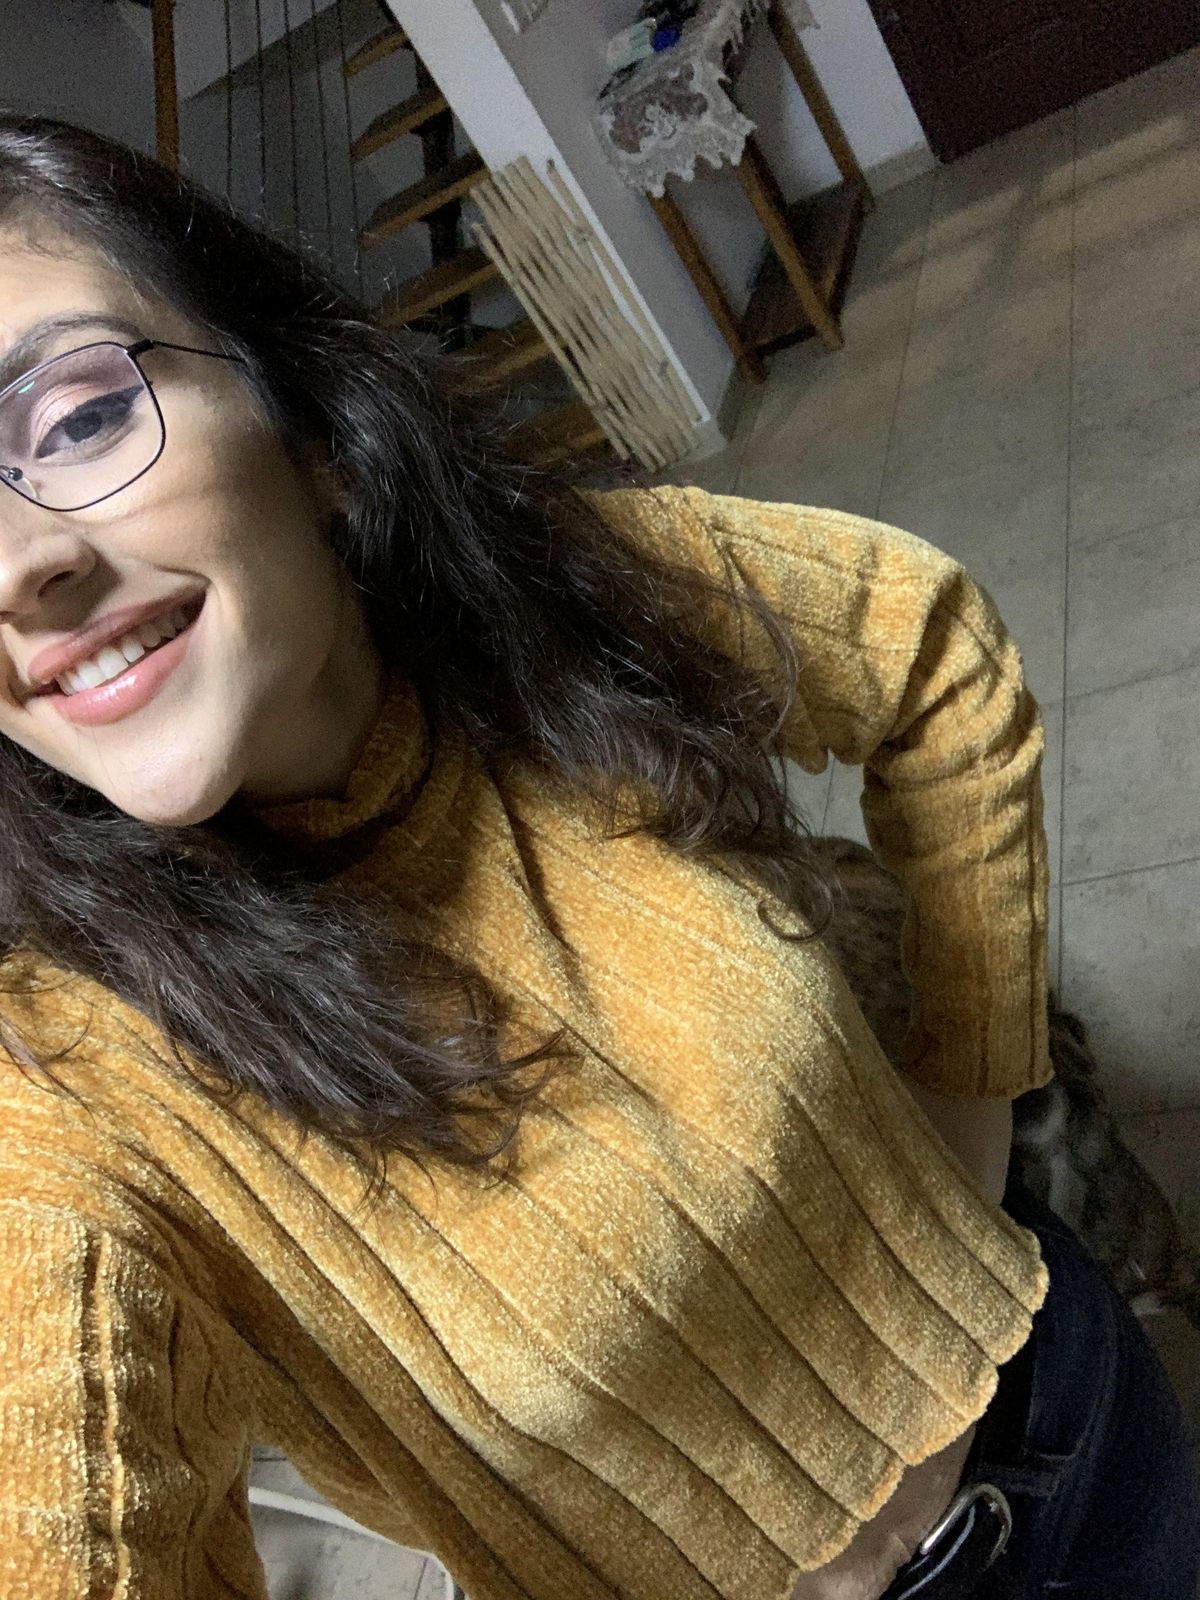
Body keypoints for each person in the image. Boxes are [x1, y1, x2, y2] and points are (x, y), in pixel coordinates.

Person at [0, 112, 1194, 1600]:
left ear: (311, 434)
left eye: (73, 419)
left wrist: (970, 1092)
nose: (18, 566)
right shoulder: (62, 1081)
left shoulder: (550, 602)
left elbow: (931, 649)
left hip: (1077, 1411)